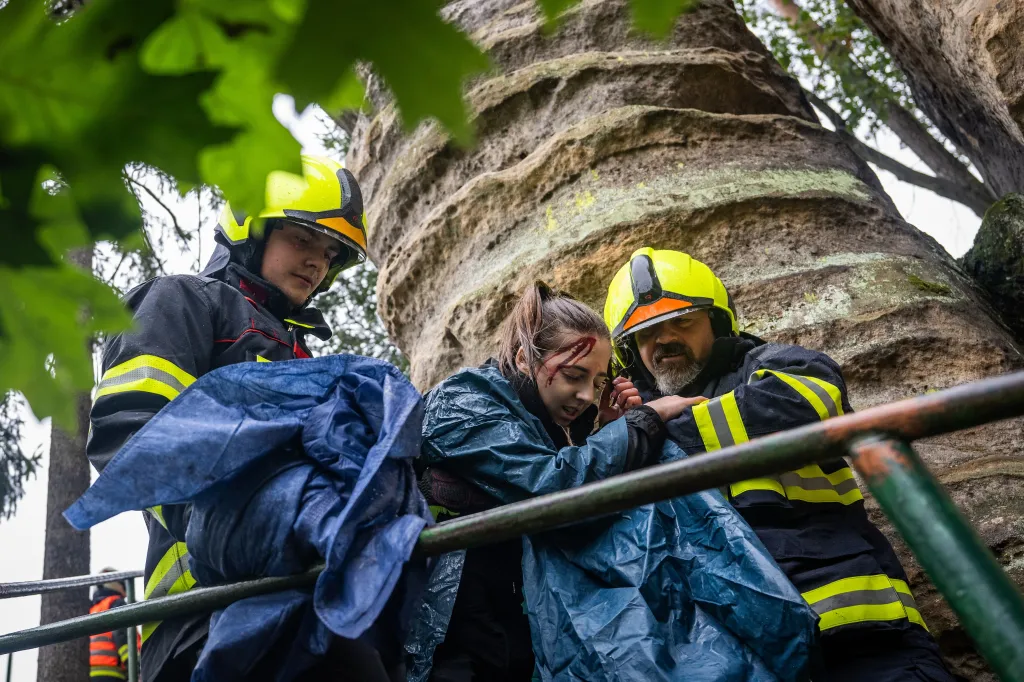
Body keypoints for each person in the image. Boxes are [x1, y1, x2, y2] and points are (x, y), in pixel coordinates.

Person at [412, 282, 819, 682]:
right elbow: (551, 488)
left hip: (510, 635)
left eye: (599, 382)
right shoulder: (464, 401)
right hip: (450, 637)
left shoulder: (535, 421)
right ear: (523, 358)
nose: (588, 395)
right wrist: (647, 420)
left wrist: (603, 429)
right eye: (574, 375)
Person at [603, 247, 956, 682]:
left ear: (716, 322)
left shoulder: (770, 365)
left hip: (859, 630)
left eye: (682, 321)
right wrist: (631, 426)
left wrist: (656, 434)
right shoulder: (630, 420)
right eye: (647, 333)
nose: (665, 339)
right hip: (738, 653)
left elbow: (814, 400)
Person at [86, 155, 370, 682]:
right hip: (206, 612)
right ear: (251, 229)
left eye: (331, 254)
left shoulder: (309, 359)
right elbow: (134, 433)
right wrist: (241, 528)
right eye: (303, 240)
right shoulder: (184, 301)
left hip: (319, 606)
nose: (317, 264)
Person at [89, 569, 137, 680]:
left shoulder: (93, 608)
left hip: (91, 673)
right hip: (114, 672)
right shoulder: (116, 602)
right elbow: (121, 634)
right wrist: (133, 664)